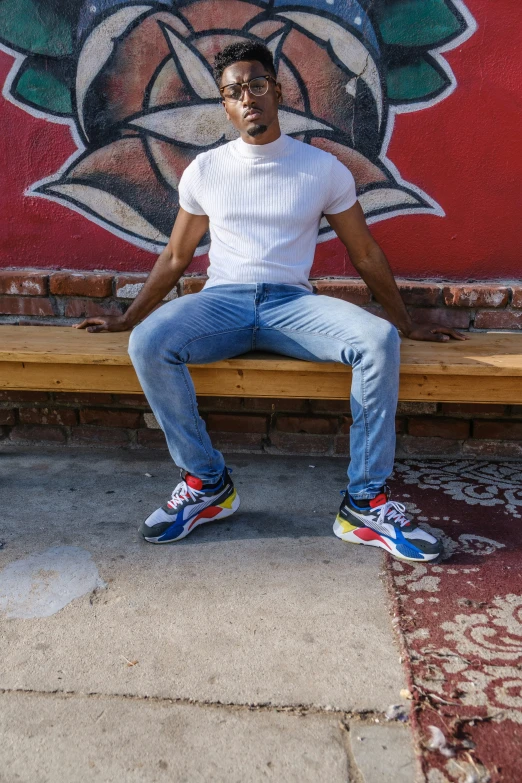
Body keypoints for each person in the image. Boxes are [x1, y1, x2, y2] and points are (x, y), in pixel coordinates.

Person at [75, 41, 467, 562]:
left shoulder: (322, 168)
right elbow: (174, 258)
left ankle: (364, 504)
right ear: (226, 106)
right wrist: (127, 320)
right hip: (222, 303)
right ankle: (207, 483)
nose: (247, 98)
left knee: (377, 340)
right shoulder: (205, 170)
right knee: (149, 342)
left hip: (292, 307)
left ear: (276, 90)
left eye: (256, 84)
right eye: (234, 91)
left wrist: (407, 322)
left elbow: (366, 254)